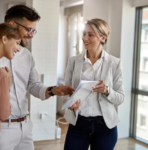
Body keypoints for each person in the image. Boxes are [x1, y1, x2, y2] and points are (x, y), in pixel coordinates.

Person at [0, 4, 75, 150]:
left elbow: (33, 85)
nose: (32, 35)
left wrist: (54, 90)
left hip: (24, 126)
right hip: (3, 128)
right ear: (12, 25)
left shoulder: (27, 56)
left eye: (34, 30)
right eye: (29, 29)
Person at [63, 18, 124, 150]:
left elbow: (120, 98)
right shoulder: (73, 61)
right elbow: (65, 91)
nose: (85, 38)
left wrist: (106, 90)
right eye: (84, 33)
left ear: (103, 37)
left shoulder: (115, 63)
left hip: (105, 127)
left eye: (90, 34)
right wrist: (70, 102)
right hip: (78, 124)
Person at [0, 23, 20, 130]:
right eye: (17, 43)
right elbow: (4, 114)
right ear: (4, 39)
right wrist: (6, 80)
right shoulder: (3, 75)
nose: (18, 49)